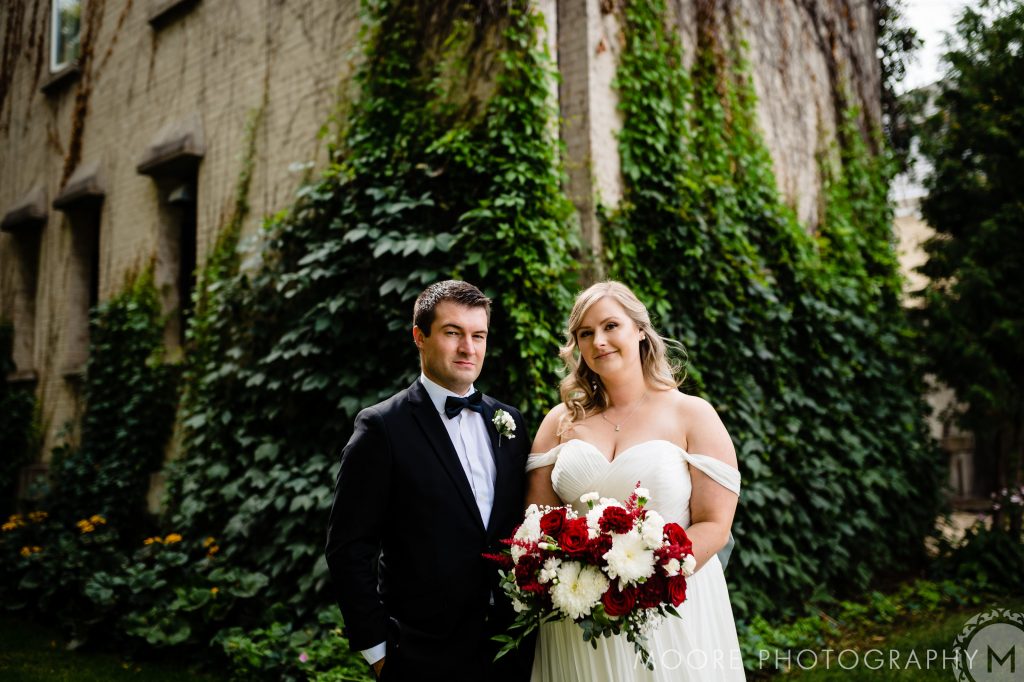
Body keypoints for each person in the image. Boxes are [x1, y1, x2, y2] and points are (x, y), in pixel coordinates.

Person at [525, 280, 745, 681]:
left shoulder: (691, 414)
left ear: (640, 330)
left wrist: (644, 580)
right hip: (577, 615)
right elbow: (536, 521)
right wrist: (571, 579)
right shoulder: (559, 422)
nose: (599, 342)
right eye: (585, 333)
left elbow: (715, 524)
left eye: (611, 326)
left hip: (667, 610)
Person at [326, 280, 534, 682]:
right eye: (453, 333)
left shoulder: (508, 422)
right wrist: (379, 653)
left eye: (478, 336)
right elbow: (347, 548)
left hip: (510, 648)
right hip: (422, 655)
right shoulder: (381, 428)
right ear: (419, 337)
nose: (468, 349)